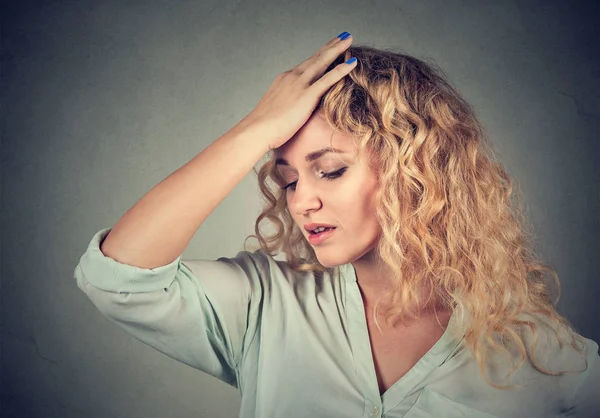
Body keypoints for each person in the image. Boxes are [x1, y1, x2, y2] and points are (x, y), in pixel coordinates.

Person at [74, 32, 599, 417]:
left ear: (414, 168)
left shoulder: (542, 354)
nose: (302, 202)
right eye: (289, 180)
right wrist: (256, 129)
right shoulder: (266, 302)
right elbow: (117, 277)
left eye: (329, 170)